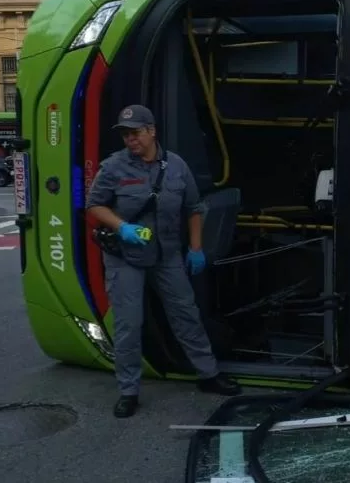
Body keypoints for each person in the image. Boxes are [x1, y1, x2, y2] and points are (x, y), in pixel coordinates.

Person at [86, 105, 241, 418]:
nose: (131, 140)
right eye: (126, 135)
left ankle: (208, 375)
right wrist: (122, 227)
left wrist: (196, 248)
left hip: (166, 254)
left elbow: (195, 207)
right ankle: (128, 390)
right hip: (125, 256)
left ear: (152, 131)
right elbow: (94, 205)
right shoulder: (114, 167)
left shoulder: (176, 166)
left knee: (186, 314)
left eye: (136, 133)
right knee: (129, 325)